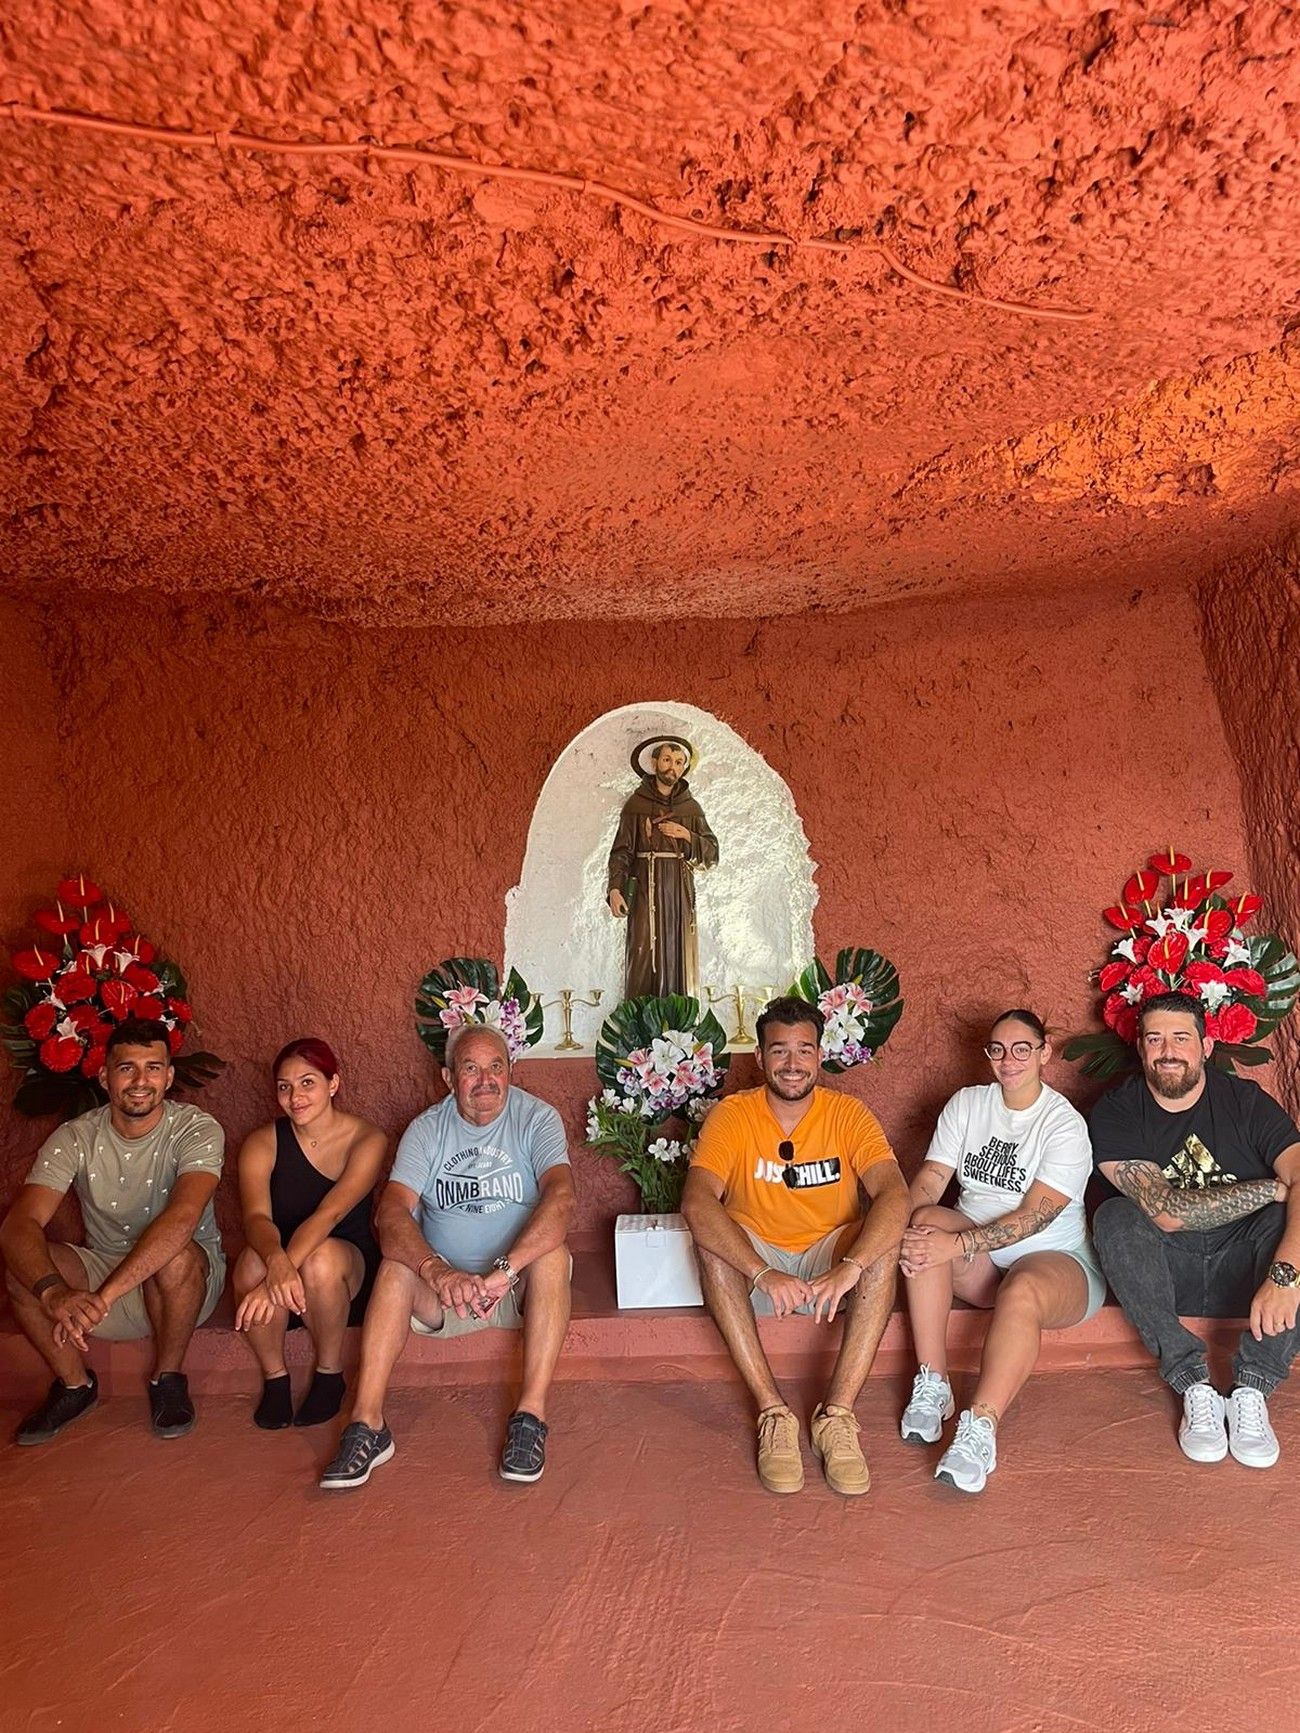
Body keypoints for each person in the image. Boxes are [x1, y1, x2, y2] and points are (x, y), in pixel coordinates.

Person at [318, 1023, 574, 1490]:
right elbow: (391, 1211)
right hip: (445, 1293)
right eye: (471, 1068)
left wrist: (506, 1269)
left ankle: (530, 1417)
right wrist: (436, 1271)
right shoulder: (427, 1129)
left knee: (554, 1256)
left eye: (496, 1067)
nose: (486, 1080)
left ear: (510, 1071)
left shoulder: (537, 1118)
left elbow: (562, 1199)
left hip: (515, 1288)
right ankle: (368, 1425)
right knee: (395, 1269)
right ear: (447, 1077)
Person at [681, 994, 909, 1495]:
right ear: (760, 1058)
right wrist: (761, 1271)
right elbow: (697, 1203)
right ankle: (773, 1413)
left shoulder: (848, 1114)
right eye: (779, 1051)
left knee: (883, 1244)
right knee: (712, 1242)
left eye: (804, 1050)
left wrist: (851, 1266)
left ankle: (837, 1417)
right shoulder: (733, 1115)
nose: (792, 1064)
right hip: (759, 1264)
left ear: (820, 1055)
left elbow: (895, 1194)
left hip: (830, 1261)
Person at [1091, 992, 1300, 1469]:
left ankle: (1253, 1388)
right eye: (1155, 1038)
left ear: (1206, 1047)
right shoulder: (1117, 1111)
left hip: (1245, 1269)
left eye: (1181, 1038)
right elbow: (1165, 1212)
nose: (1168, 1050)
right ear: (1141, 1049)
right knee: (1117, 1216)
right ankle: (1193, 1384)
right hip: (1165, 1271)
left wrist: (1286, 1274)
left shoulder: (1244, 1102)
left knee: (1295, 1224)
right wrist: (1269, 1190)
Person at [899, 1009, 1104, 1494]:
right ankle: (934, 1384)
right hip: (983, 1265)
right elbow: (931, 1179)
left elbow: (1036, 1216)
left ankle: (980, 1428)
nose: (1008, 1060)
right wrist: (899, 1227)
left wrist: (961, 1243)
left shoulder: (1063, 1124)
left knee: (1024, 1287)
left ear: (1043, 1053)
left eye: (1021, 1049)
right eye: (997, 1049)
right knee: (926, 1226)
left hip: (1058, 1264)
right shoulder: (968, 1104)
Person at [1, 1017, 226, 1444]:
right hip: (103, 1268)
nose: (141, 1081)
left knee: (176, 1258)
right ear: (105, 1076)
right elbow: (21, 1224)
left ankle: (169, 1376)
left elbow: (181, 1221)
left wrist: (103, 1298)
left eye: (153, 1067)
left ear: (169, 1075)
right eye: (127, 1068)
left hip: (183, 1282)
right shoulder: (75, 1137)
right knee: (22, 1268)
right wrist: (53, 1292)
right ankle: (74, 1386)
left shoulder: (196, 1128)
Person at [232, 1038, 385, 1429]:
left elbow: (330, 1214)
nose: (295, 1096)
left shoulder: (367, 1139)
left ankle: (329, 1374)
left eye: (307, 1083)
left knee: (320, 1259)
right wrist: (275, 1263)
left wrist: (275, 1279)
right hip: (282, 1271)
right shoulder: (262, 1142)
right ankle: (275, 1378)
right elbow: (255, 1218)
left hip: (341, 1272)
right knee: (251, 1261)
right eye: (284, 1086)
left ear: (333, 1084)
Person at [606, 736, 718, 999]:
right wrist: (615, 889)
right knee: (643, 949)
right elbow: (621, 852)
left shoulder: (691, 808)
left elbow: (712, 855)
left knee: (678, 949)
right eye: (667, 760)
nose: (673, 768)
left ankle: (679, 1021)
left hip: (678, 890)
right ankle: (641, 1019)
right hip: (645, 889)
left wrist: (686, 834)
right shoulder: (636, 806)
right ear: (654, 763)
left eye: (679, 762)